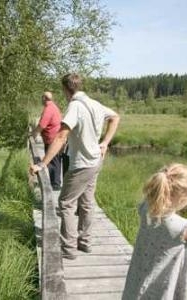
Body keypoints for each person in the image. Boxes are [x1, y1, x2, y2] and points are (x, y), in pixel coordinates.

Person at [30, 73, 120, 259]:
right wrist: (105, 142)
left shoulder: (75, 106)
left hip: (81, 164)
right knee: (87, 203)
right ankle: (85, 242)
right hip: (95, 162)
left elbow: (61, 136)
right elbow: (115, 117)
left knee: (65, 203)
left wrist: (42, 164)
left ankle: (68, 248)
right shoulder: (94, 103)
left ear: (65, 89)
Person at [122, 163, 187, 300]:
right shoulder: (180, 227)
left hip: (136, 284)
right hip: (160, 291)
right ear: (182, 198)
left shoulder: (146, 208)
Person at [31, 91, 62, 191]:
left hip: (52, 139)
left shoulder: (48, 109)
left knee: (53, 162)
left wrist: (34, 134)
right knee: (55, 161)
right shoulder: (53, 106)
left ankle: (55, 185)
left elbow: (42, 125)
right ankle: (56, 183)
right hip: (55, 138)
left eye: (42, 97)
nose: (41, 100)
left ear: (44, 98)